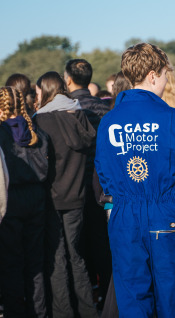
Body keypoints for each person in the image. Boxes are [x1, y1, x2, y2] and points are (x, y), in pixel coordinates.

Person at [95, 43, 175, 318]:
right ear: (153, 75)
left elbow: (103, 170)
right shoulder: (172, 117)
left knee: (132, 297)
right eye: (166, 74)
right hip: (164, 210)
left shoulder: (109, 121)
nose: (167, 81)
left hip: (124, 214)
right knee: (173, 296)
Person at [35, 71, 98, 318]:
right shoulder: (80, 115)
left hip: (51, 198)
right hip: (77, 196)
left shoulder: (41, 121)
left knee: (57, 259)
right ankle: (88, 311)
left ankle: (63, 313)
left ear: (46, 90)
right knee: (76, 256)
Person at [64, 58, 112, 307]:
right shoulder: (105, 109)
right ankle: (105, 293)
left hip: (74, 183)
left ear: (68, 79)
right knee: (103, 241)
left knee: (78, 244)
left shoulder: (65, 111)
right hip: (102, 184)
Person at [0, 87, 49, 317]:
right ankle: (38, 312)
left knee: (12, 263)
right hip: (37, 198)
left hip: (10, 199)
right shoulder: (35, 130)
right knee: (35, 263)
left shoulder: (2, 133)